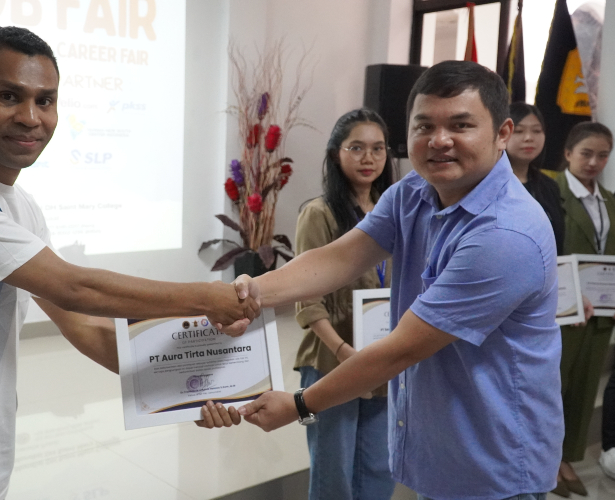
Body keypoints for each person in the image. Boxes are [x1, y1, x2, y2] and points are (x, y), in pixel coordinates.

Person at [0, 27, 251, 500]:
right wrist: (206, 298)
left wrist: (197, 387)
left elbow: (84, 327)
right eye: (9, 96)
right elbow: (74, 288)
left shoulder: (22, 207)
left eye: (45, 100)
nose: (30, 117)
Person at [229, 60, 563, 500]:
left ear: (502, 133)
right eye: (424, 126)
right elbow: (339, 258)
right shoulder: (413, 192)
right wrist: (250, 292)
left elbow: (401, 350)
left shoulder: (506, 233)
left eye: (460, 125)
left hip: (493, 462)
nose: (439, 140)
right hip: (440, 444)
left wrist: (299, 404)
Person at [294, 108, 395, 500]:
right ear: (336, 154)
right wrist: (343, 351)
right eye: (356, 148)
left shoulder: (393, 210)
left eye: (378, 148)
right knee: (332, 473)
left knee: (379, 468)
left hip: (382, 355)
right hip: (332, 358)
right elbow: (307, 298)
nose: (368, 157)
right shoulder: (318, 213)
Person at [553, 121, 615, 497]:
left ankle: (567, 457)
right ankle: (546, 458)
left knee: (583, 388)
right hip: (564, 311)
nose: (593, 162)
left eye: (602, 155)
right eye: (586, 154)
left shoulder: (610, 200)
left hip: (602, 313)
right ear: (568, 153)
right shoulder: (552, 194)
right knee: (553, 387)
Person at [506, 102, 565, 254]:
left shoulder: (549, 186)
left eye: (537, 131)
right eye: (518, 131)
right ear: (501, 134)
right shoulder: (488, 184)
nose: (529, 138)